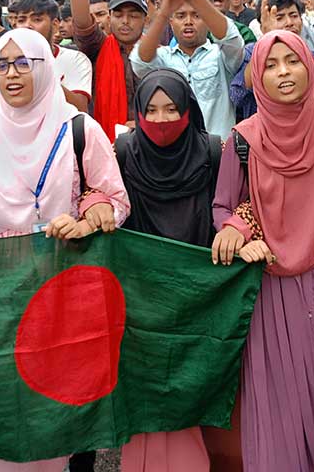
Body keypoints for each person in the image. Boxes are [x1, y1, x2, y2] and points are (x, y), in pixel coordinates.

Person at [0, 29, 129, 472]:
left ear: (46, 68)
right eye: (3, 65)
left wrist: (90, 213)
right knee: (5, 391)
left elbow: (115, 198)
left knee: (63, 394)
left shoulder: (80, 129)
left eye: (24, 64)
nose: (11, 75)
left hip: (64, 279)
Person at [212, 30, 314, 471]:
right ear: (254, 75)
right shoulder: (243, 139)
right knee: (287, 397)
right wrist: (236, 228)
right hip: (274, 286)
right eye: (270, 64)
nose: (283, 72)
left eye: (293, 61)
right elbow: (225, 205)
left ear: (311, 65)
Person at [115, 69, 221, 472]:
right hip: (143, 295)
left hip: (201, 291)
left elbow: (230, 206)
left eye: (172, 109)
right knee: (149, 387)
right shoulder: (124, 152)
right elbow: (110, 203)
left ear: (188, 109)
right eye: (151, 110)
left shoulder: (212, 151)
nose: (161, 121)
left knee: (195, 383)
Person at [132, 0, 244, 138]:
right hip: (176, 156)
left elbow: (231, 38)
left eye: (197, 15)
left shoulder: (222, 56)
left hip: (219, 154)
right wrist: (164, 11)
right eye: (181, 15)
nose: (188, 22)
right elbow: (140, 62)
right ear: (171, 21)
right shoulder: (163, 58)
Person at [69, 0, 148, 139]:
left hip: (150, 143)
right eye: (119, 15)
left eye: (133, 15)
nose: (125, 21)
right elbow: (82, 17)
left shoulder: (156, 53)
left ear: (145, 19)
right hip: (104, 143)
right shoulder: (98, 46)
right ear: (110, 18)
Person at [229, 0, 314, 121]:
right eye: (279, 18)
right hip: (264, 129)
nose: (289, 22)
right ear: (262, 25)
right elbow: (237, 95)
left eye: (294, 15)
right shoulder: (252, 53)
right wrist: (269, 39)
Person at [11, 0, 92, 112]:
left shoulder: (75, 59)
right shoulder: (7, 62)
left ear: (55, 25)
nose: (28, 25)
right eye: (22, 20)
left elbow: (80, 109)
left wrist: (41, 73)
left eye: (37, 19)